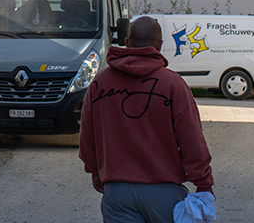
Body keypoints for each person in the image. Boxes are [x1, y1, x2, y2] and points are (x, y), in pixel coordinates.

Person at [79, 16, 214, 223]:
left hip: (117, 193)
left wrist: (96, 171)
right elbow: (191, 139)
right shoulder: (173, 84)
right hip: (165, 192)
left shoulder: (100, 83)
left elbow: (87, 137)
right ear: (159, 46)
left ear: (127, 42)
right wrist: (204, 183)